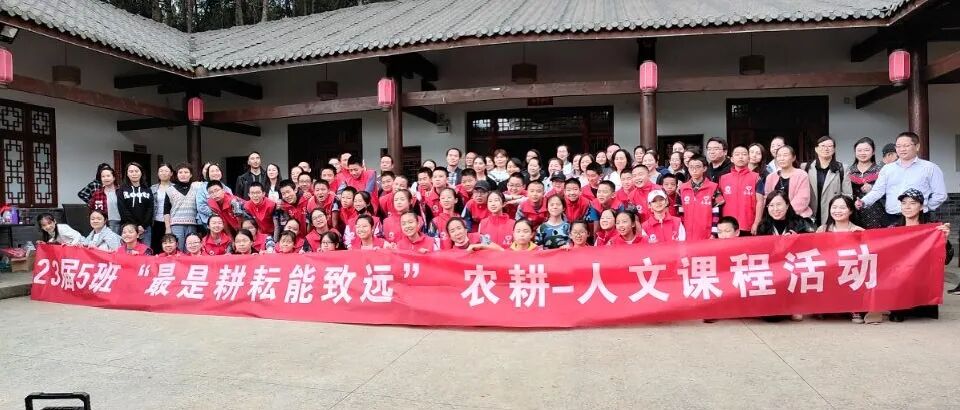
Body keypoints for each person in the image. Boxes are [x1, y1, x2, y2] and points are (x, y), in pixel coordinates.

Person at [858, 132, 947, 226]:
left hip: (919, 218)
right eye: (898, 146)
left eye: (906, 146)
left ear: (917, 147)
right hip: (892, 217)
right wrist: (863, 201)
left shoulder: (930, 168)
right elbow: (877, 191)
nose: (902, 149)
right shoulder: (887, 169)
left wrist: (925, 207)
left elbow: (940, 194)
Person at [889, 189, 953, 317]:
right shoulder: (893, 229)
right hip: (900, 280)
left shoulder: (932, 230)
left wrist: (944, 241)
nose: (907, 207)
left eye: (912, 203)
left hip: (923, 280)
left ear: (922, 207)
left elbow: (945, 260)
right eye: (904, 203)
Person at [755, 191, 814, 322]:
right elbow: (759, 253)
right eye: (771, 205)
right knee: (770, 317)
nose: (775, 209)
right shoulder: (763, 226)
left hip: (793, 266)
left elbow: (811, 249)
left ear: (787, 205)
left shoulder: (800, 223)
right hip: (772, 269)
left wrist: (798, 241)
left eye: (779, 204)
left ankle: (795, 304)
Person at [803, 136, 851, 225]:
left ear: (834, 149)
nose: (826, 149)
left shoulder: (842, 168)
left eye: (830, 146)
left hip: (833, 213)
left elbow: (847, 195)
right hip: (810, 213)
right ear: (816, 149)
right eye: (823, 146)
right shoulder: (805, 167)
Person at [678, 155, 724, 241]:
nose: (694, 170)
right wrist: (681, 233)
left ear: (704, 168)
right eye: (691, 167)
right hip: (686, 235)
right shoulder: (682, 189)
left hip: (707, 234)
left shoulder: (714, 187)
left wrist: (714, 234)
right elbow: (680, 214)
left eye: (698, 167)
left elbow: (717, 213)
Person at [719, 146, 763, 235]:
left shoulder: (756, 177)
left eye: (744, 154)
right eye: (737, 154)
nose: (740, 157)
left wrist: (756, 223)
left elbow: (760, 202)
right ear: (732, 159)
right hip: (728, 228)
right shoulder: (723, 178)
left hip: (748, 225)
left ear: (748, 158)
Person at [844, 137, 885, 229]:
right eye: (859, 150)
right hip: (853, 212)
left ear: (873, 152)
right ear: (855, 152)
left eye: (866, 150)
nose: (862, 153)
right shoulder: (848, 171)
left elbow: (888, 191)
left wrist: (872, 187)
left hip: (876, 213)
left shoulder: (881, 170)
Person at [764, 145, 813, 220]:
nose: (782, 158)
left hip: (797, 217)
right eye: (779, 156)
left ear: (793, 158)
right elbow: (768, 198)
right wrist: (775, 212)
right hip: (775, 217)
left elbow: (803, 199)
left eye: (785, 155)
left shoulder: (801, 175)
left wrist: (785, 214)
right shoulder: (770, 177)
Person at [163, 164, 203, 251]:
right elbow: (166, 211)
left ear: (191, 175)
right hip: (176, 225)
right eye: (180, 172)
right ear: (177, 175)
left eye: (186, 172)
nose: (183, 174)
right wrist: (168, 228)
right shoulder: (170, 190)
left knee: (191, 249)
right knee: (178, 249)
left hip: (192, 224)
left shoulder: (196, 188)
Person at [116, 162, 154, 247]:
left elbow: (150, 209)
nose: (134, 174)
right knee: (128, 252)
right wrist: (135, 226)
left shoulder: (147, 190)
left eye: (136, 171)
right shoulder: (122, 190)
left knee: (145, 251)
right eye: (131, 171)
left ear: (141, 173)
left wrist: (143, 226)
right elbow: (122, 209)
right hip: (128, 228)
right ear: (127, 174)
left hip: (145, 228)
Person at [196, 163, 231, 230]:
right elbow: (201, 206)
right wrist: (217, 215)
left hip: (226, 223)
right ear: (208, 175)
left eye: (217, 170)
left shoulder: (227, 189)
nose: (215, 173)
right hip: (207, 223)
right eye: (212, 171)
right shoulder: (202, 188)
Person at [88, 166, 122, 234]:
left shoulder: (120, 191)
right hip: (102, 224)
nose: (106, 178)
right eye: (103, 176)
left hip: (119, 223)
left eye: (108, 176)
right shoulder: (97, 194)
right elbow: (91, 209)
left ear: (114, 177)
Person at [150, 163, 173, 253]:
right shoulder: (152, 188)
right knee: (156, 246)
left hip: (171, 221)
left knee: (170, 246)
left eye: (166, 171)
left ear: (171, 173)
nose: (163, 173)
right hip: (156, 221)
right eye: (161, 171)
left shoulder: (175, 188)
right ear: (158, 173)